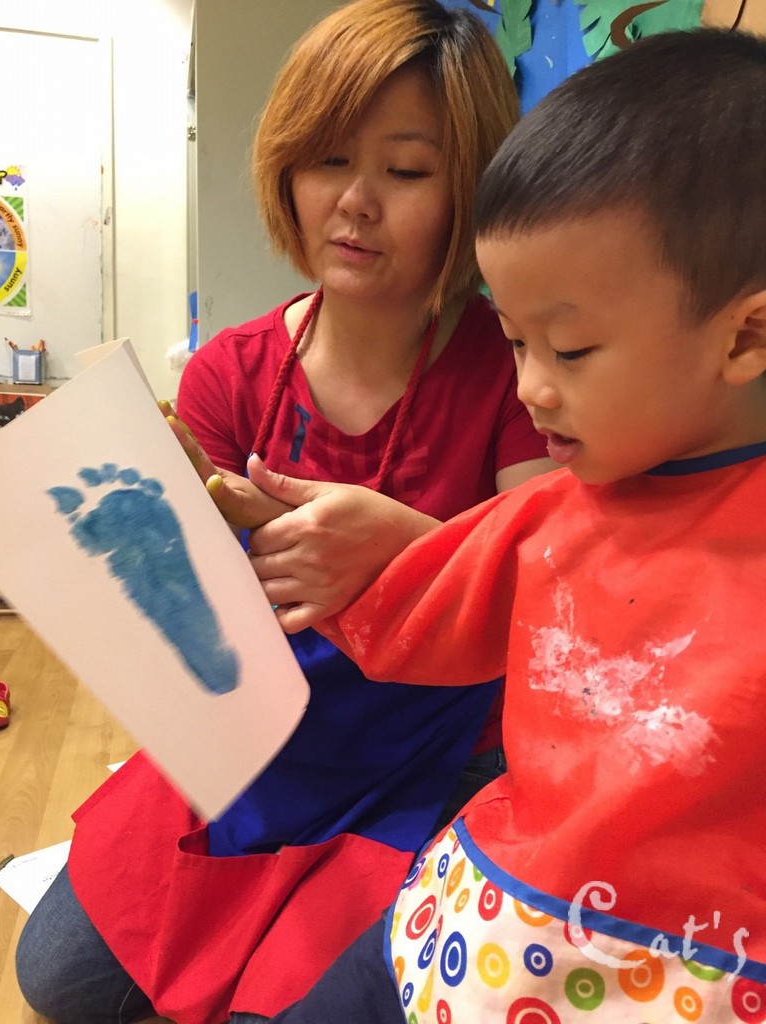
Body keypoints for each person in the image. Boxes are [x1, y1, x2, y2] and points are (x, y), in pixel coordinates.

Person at [15, 3, 551, 1023]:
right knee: (59, 978)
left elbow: (555, 589)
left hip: (434, 753)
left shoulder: (513, 365)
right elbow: (195, 629)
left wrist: (403, 548)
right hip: (253, 736)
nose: (354, 202)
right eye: (328, 160)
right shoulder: (230, 374)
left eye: (406, 170)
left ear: (469, 192)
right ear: (286, 170)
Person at [247, 25, 766, 1024]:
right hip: (479, 912)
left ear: (745, 334)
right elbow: (403, 606)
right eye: (517, 341)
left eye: (568, 351)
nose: (531, 387)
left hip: (681, 977)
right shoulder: (546, 513)